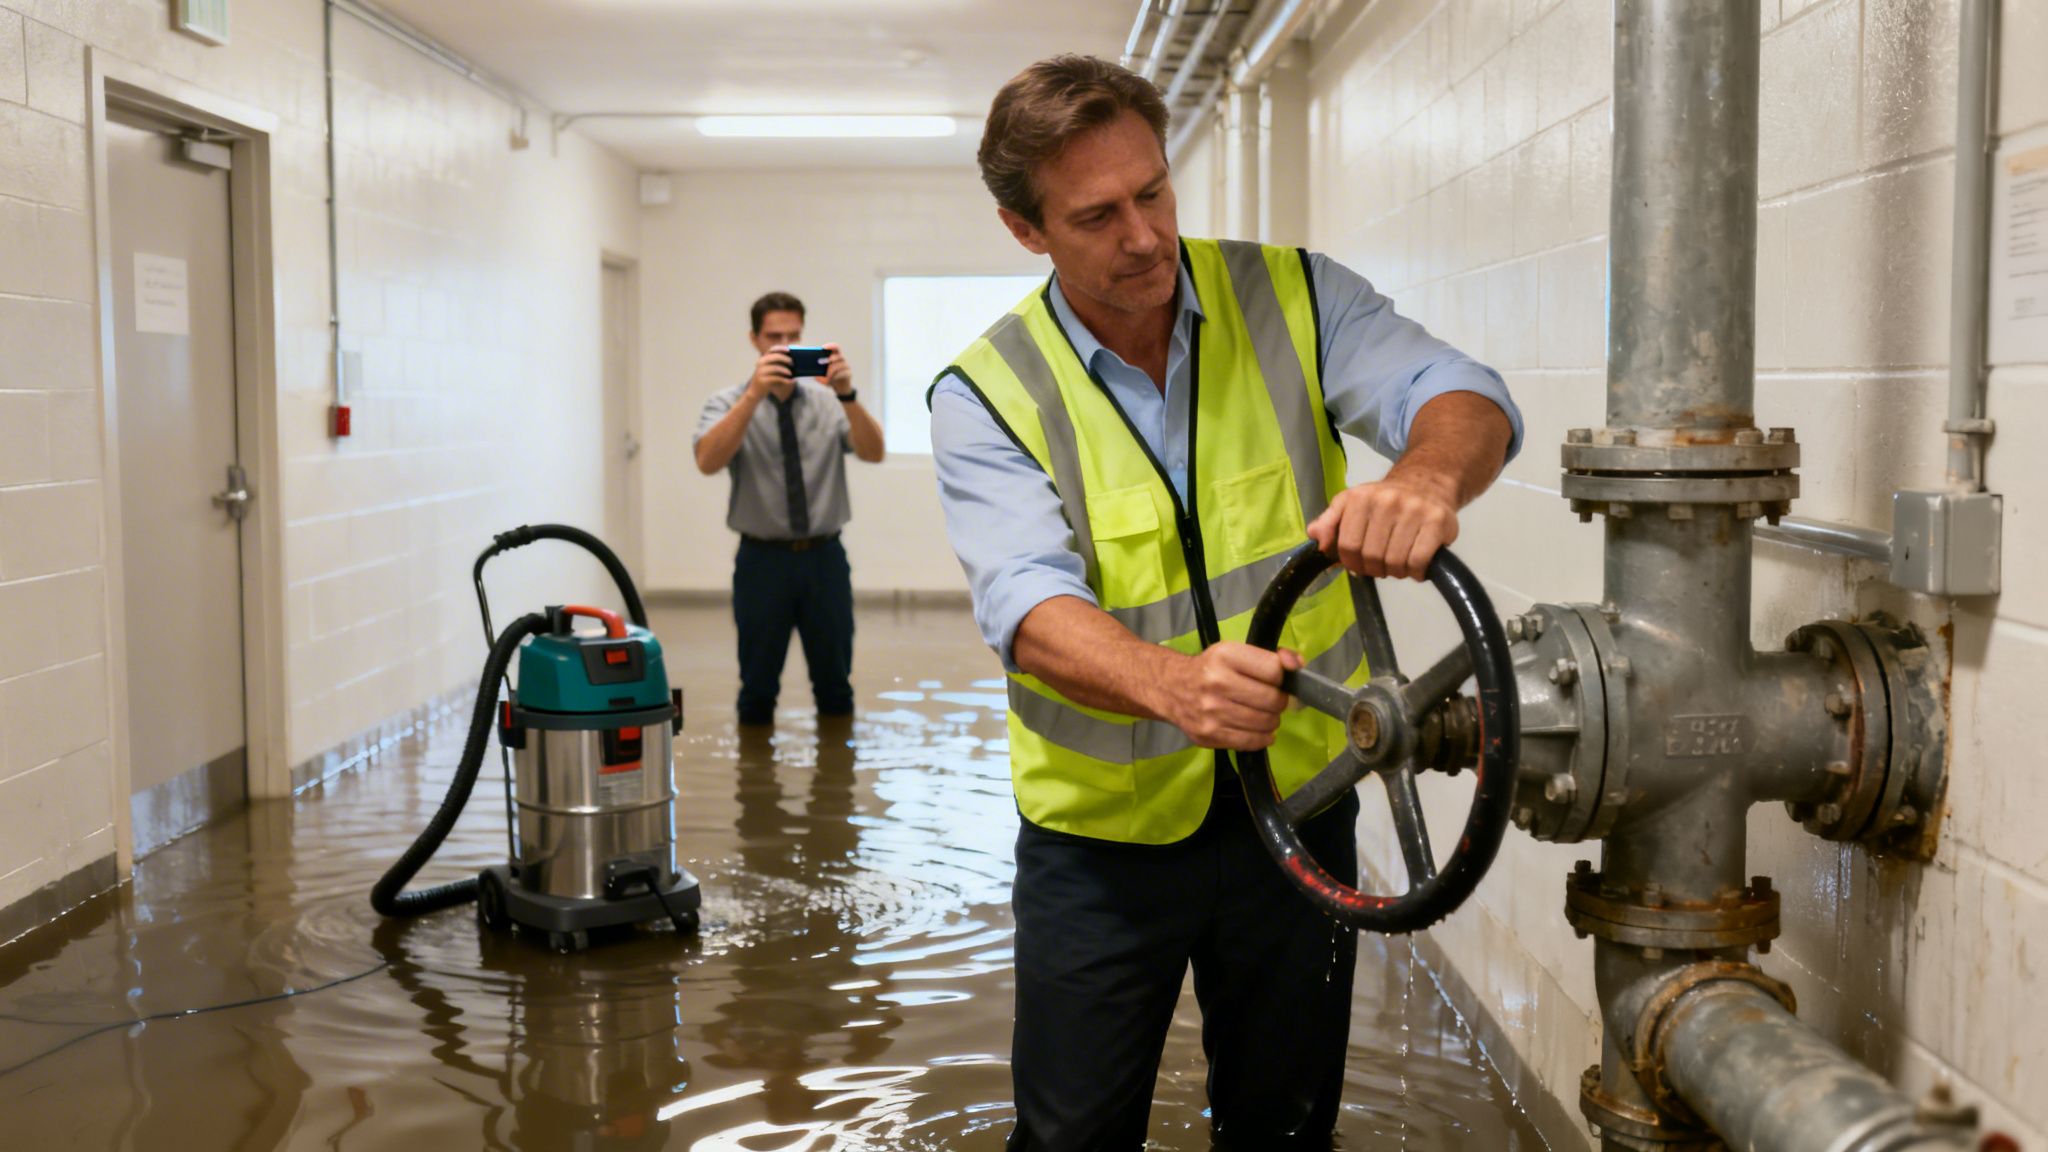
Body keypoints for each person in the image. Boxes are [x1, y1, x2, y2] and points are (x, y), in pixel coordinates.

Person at [927, 56, 1522, 1149]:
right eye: (1096, 215)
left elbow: (1459, 393)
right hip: (1097, 848)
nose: (1143, 235)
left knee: (1285, 1126)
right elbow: (1025, 605)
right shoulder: (987, 394)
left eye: (1151, 191)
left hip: (1300, 808)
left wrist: (1424, 477)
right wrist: (1170, 685)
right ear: (1025, 231)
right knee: (1068, 1136)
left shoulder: (1291, 296)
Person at [694, 292, 885, 726]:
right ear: (754, 340)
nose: (783, 345)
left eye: (793, 336)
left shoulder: (828, 402)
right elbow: (707, 461)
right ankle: (756, 791)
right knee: (757, 689)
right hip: (762, 562)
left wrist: (847, 394)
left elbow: (873, 452)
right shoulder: (727, 403)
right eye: (773, 337)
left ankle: (836, 789)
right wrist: (753, 397)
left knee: (836, 685)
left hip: (825, 559)